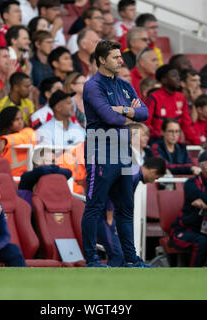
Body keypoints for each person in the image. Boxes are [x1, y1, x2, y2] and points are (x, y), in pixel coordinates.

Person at [82, 40, 149, 267]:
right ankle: (92, 260)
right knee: (95, 206)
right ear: (102, 60)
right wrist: (131, 114)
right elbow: (109, 118)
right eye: (115, 57)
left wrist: (123, 110)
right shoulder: (93, 86)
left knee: (126, 208)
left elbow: (145, 113)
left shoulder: (123, 85)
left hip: (123, 151)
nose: (121, 61)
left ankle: (131, 259)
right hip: (100, 150)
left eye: (120, 57)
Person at [99, 156, 166, 267]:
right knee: (118, 255)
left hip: (108, 215)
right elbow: (112, 191)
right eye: (155, 178)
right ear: (153, 171)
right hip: (104, 216)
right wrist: (110, 215)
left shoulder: (133, 172)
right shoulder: (132, 174)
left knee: (122, 255)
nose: (152, 182)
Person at [170, 150, 207, 267]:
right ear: (206, 166)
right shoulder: (191, 183)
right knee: (203, 242)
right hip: (184, 230)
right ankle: (193, 276)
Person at [145, 64, 201, 145]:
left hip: (175, 144)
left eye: (178, 76)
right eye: (174, 76)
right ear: (164, 80)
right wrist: (160, 136)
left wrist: (197, 142)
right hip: (156, 143)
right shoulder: (153, 98)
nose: (178, 78)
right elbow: (146, 124)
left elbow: (186, 125)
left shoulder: (181, 98)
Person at [0, 107, 36, 177]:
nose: (20, 122)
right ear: (7, 122)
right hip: (5, 181)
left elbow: (25, 138)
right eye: (17, 119)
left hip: (23, 181)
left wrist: (5, 140)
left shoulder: (28, 131)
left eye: (21, 119)